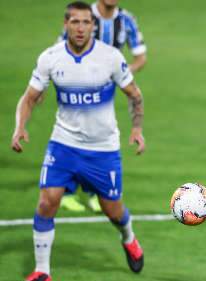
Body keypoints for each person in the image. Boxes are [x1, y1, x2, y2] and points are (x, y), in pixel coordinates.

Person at [11, 1, 146, 281]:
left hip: (103, 149)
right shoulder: (51, 58)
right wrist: (20, 127)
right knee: (47, 201)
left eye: (86, 22)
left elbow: (134, 94)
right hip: (64, 145)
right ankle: (42, 271)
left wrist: (136, 129)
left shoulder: (110, 58)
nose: (81, 28)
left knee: (113, 211)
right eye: (75, 22)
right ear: (65, 25)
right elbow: (30, 97)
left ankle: (128, 238)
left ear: (93, 26)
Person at [59, 0, 147, 213]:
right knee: (73, 135)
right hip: (76, 86)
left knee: (97, 135)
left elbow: (141, 57)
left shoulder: (126, 20)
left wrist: (122, 74)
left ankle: (90, 193)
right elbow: (59, 49)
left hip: (105, 91)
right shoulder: (84, 17)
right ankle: (66, 191)